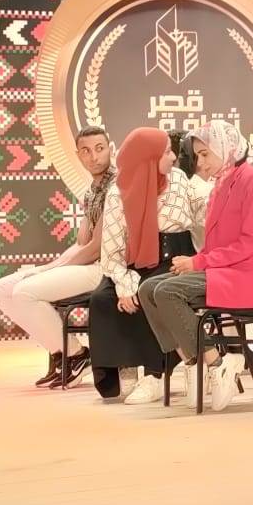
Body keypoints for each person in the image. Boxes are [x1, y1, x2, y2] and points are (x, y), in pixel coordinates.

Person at [137, 122, 253, 411]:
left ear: (225, 148)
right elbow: (214, 244)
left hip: (247, 274)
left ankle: (217, 363)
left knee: (167, 292)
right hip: (224, 270)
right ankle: (193, 361)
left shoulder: (252, 180)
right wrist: (196, 263)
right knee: (148, 289)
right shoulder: (220, 185)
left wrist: (198, 262)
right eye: (198, 156)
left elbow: (251, 242)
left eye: (204, 154)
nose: (199, 163)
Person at [0, 126, 115, 388]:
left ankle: (77, 355)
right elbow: (81, 243)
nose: (94, 156)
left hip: (108, 268)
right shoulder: (91, 191)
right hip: (88, 264)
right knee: (1, 289)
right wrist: (47, 267)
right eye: (86, 151)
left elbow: (96, 248)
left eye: (99, 149)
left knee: (24, 293)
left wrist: (52, 269)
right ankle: (63, 353)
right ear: (78, 155)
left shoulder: (115, 187)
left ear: (110, 149)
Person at [88, 127, 205, 403]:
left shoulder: (180, 181)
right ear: (148, 158)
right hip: (133, 262)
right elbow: (112, 250)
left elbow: (203, 214)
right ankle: (125, 364)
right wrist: (124, 284)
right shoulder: (118, 192)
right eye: (166, 152)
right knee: (103, 298)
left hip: (175, 258)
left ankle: (156, 374)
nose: (174, 157)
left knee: (151, 293)